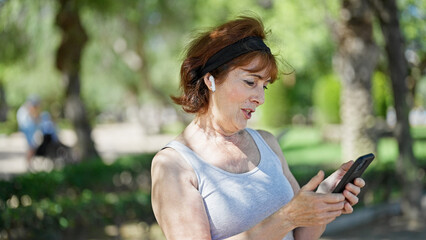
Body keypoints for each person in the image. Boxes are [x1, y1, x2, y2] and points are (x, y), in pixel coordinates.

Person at [151, 16, 366, 240]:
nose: (260, 98)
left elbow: (301, 235)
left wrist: (323, 198)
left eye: (264, 86)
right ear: (210, 80)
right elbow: (288, 220)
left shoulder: (267, 142)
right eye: (250, 82)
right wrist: (287, 217)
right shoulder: (173, 165)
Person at [16, 95, 63, 168]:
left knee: (33, 146)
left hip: (38, 135)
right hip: (31, 133)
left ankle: (29, 165)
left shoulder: (38, 114)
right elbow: (30, 125)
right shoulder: (24, 113)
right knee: (32, 146)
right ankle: (28, 165)